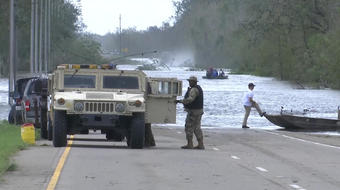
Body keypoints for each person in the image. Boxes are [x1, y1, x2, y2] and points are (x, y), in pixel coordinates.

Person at [176, 76, 204, 149]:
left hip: (193, 112)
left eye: (191, 81)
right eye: (189, 81)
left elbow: (190, 99)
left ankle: (190, 144)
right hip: (199, 111)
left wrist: (180, 101)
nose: (189, 83)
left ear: (194, 82)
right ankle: (200, 144)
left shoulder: (194, 90)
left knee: (189, 127)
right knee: (197, 128)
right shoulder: (198, 88)